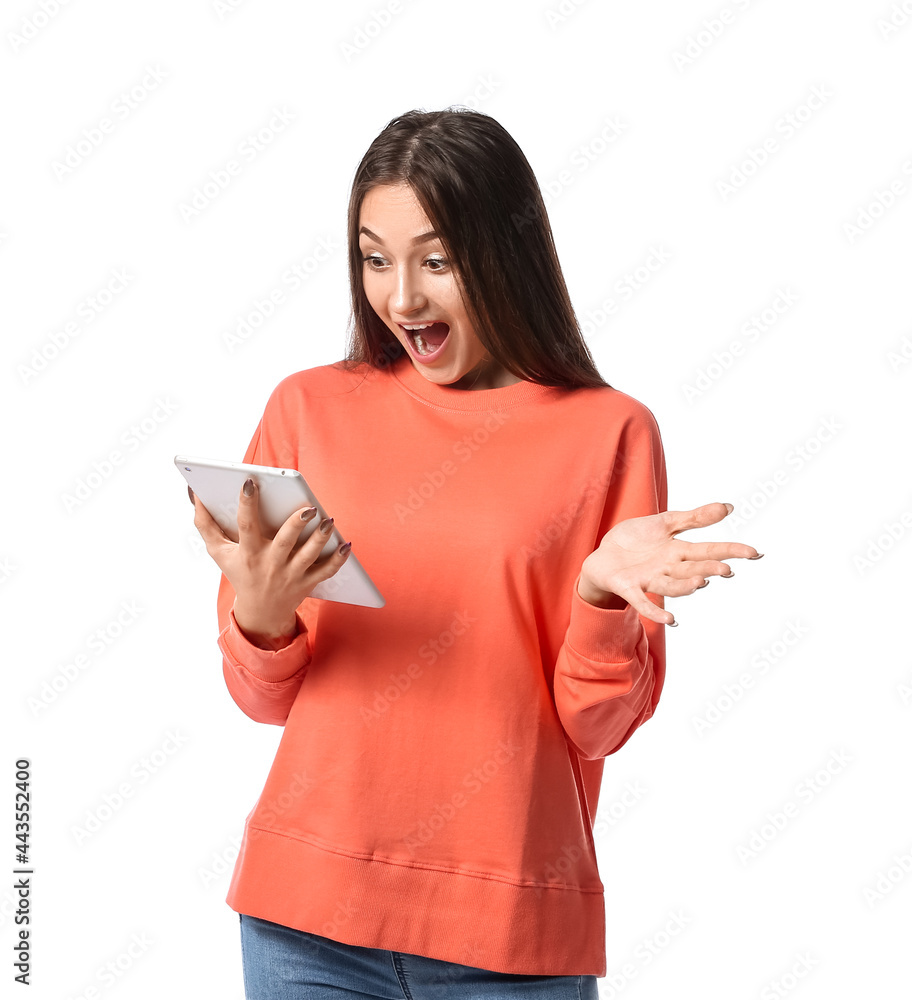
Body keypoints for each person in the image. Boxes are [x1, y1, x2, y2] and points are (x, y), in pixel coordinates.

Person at [189, 107, 761, 999]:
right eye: (375, 258)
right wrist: (259, 617)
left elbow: (600, 726)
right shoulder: (307, 409)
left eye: (438, 260)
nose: (402, 298)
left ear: (505, 253)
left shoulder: (609, 433)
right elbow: (263, 702)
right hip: (303, 918)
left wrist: (600, 599)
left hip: (508, 935)